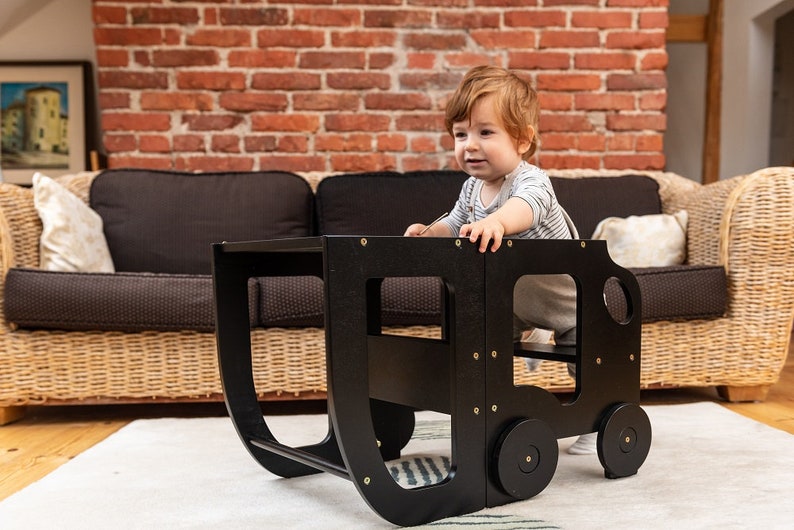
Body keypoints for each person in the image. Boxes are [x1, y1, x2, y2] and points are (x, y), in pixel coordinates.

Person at [404, 65, 595, 455]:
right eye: (460, 134)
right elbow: (455, 225)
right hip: (515, 298)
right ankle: (495, 409)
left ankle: (593, 421)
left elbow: (527, 209)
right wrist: (428, 233)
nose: (469, 145)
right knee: (485, 341)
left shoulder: (531, 180)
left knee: (585, 359)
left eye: (485, 132)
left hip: (568, 296)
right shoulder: (472, 188)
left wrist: (496, 222)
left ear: (522, 141)